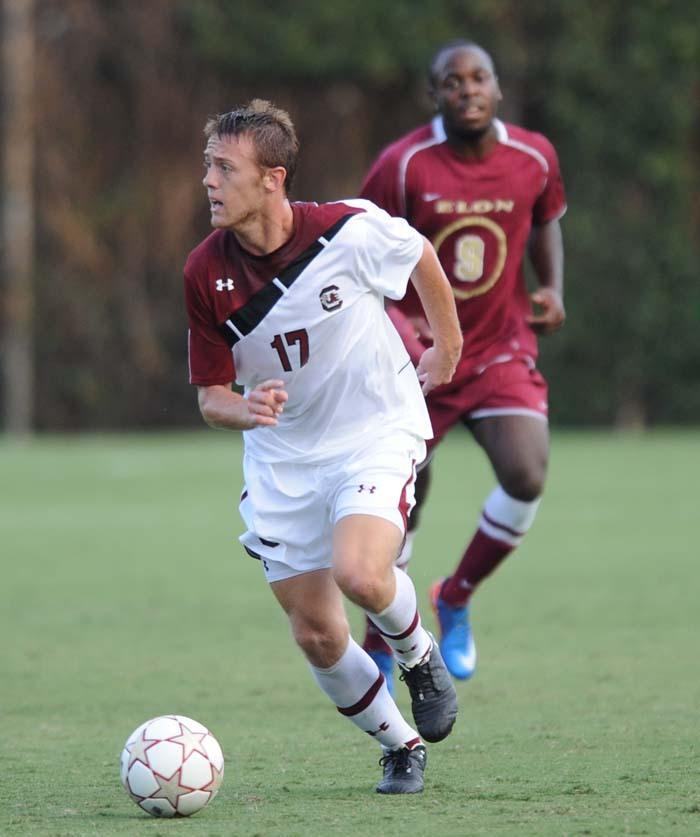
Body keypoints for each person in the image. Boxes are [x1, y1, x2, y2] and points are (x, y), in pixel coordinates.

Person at [183, 100, 463, 794]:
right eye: (208, 166)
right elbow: (210, 395)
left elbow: (419, 254)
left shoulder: (347, 229)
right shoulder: (204, 273)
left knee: (362, 574)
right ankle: (402, 746)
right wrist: (244, 410)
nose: (209, 181)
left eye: (225, 168)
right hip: (285, 459)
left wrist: (448, 343)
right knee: (316, 632)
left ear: (273, 178)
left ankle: (420, 655)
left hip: (374, 429)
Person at [358, 40, 567, 689]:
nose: (468, 89)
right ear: (435, 96)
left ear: (498, 89)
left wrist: (552, 286)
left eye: (479, 78)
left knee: (527, 472)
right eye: (453, 81)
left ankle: (455, 594)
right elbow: (361, 247)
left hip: (501, 348)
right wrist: (402, 323)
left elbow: (546, 218)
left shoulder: (533, 155)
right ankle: (382, 637)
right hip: (419, 359)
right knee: (403, 507)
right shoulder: (404, 164)